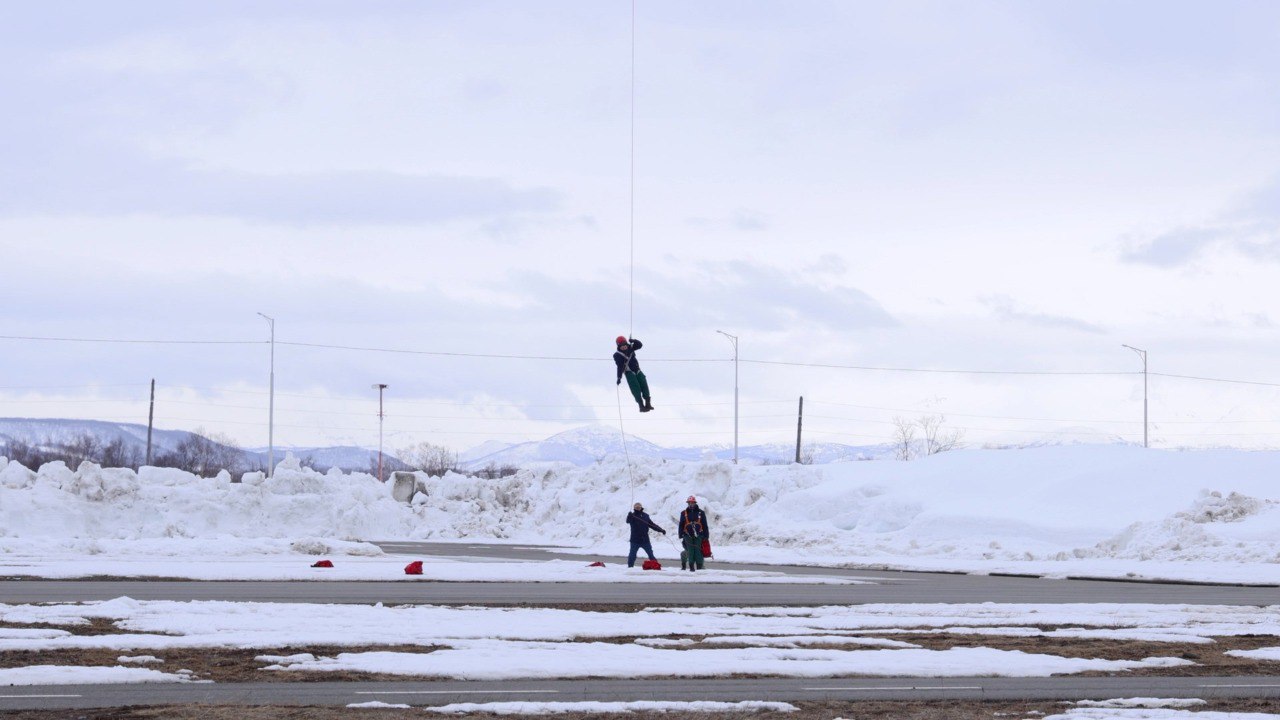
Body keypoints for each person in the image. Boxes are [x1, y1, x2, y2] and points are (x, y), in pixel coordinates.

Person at [614, 336, 653, 413]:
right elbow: (619, 367)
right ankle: (641, 406)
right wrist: (619, 377)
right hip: (629, 372)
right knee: (636, 388)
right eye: (621, 346)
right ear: (619, 346)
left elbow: (640, 345)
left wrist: (633, 340)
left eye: (625, 345)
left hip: (637, 370)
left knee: (644, 384)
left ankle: (648, 403)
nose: (624, 347)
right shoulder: (617, 355)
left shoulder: (630, 347)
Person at [625, 502, 666, 568]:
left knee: (651, 554)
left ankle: (656, 566)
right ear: (634, 508)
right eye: (636, 507)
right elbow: (628, 521)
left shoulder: (645, 516)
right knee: (632, 555)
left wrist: (661, 530)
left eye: (639, 507)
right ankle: (630, 567)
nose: (638, 508)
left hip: (645, 540)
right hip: (635, 540)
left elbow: (652, 525)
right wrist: (629, 516)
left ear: (641, 507)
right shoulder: (632, 516)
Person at [678, 495, 710, 572]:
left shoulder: (701, 512)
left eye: (692, 503)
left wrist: (706, 535)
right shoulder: (683, 513)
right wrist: (680, 534)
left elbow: (705, 525)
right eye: (689, 503)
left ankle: (699, 566)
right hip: (687, 535)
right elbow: (681, 524)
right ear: (688, 503)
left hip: (699, 535)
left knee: (698, 550)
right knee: (690, 550)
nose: (691, 504)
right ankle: (691, 566)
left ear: (695, 503)